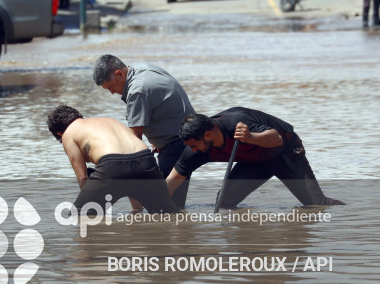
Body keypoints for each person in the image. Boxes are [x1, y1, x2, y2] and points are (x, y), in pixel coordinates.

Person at [166, 110, 345, 208]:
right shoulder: (196, 150)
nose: (193, 150)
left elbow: (276, 139)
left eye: (194, 145)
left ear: (208, 134)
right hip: (253, 161)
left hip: (284, 152)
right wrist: (153, 208)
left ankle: (349, 215)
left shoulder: (237, 122)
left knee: (316, 204)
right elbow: (172, 181)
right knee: (224, 203)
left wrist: (250, 137)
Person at [93, 55, 195, 208]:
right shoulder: (143, 68)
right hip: (187, 134)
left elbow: (133, 142)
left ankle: (177, 230)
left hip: (177, 145)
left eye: (111, 87)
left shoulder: (137, 90)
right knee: (165, 201)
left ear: (119, 74)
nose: (112, 93)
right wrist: (155, 140)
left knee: (168, 207)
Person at [47, 104, 178, 214]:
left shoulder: (68, 133)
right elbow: (130, 167)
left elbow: (82, 177)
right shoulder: (109, 121)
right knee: (167, 214)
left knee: (78, 215)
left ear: (59, 133)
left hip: (113, 167)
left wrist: (90, 205)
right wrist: (137, 209)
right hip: (146, 161)